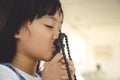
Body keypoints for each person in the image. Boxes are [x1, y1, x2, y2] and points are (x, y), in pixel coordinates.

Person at [0, 0, 75, 80]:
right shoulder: (3, 74)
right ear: (17, 29)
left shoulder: (43, 76)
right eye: (49, 25)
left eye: (59, 29)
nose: (58, 36)